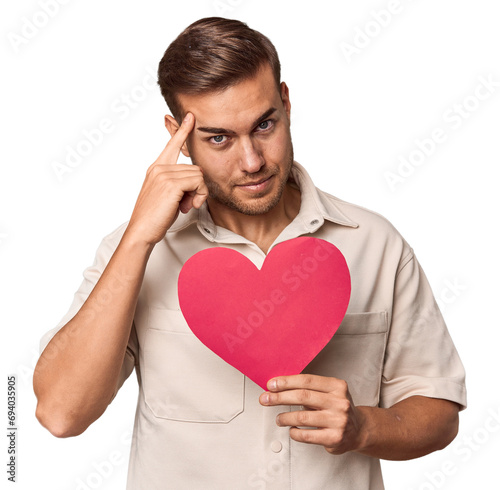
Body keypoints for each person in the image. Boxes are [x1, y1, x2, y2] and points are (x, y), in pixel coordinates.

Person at [33, 17, 467, 489]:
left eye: (264, 125)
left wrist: (365, 427)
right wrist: (138, 238)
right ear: (176, 134)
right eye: (219, 138)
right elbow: (60, 413)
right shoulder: (139, 252)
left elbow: (439, 412)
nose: (253, 161)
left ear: (285, 101)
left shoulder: (375, 244)